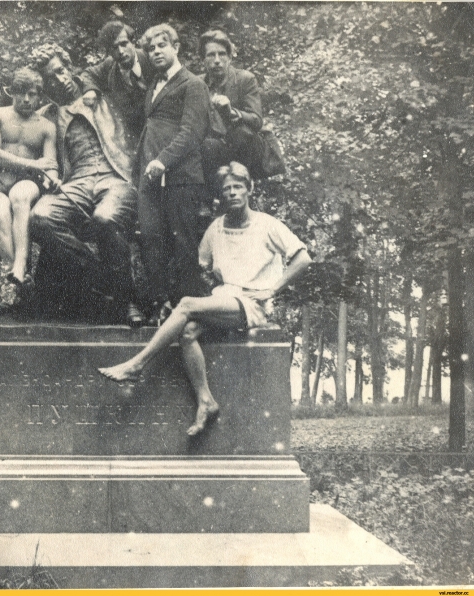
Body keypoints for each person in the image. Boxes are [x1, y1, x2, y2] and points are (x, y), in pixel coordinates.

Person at [100, 162, 312, 436]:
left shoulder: (267, 224)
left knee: (187, 305)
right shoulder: (216, 228)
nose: (232, 193)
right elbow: (198, 267)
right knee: (187, 332)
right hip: (223, 298)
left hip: (252, 304)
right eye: (227, 189)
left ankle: (136, 365)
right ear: (221, 195)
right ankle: (206, 401)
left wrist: (271, 290)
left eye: (238, 187)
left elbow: (303, 259)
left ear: (249, 189)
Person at [28, 43, 144, 326]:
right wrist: (46, 175)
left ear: (69, 67)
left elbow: (126, 59)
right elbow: (36, 156)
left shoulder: (104, 92)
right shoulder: (45, 116)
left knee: (105, 218)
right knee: (40, 217)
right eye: (51, 78)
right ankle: (109, 280)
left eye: (61, 70)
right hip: (76, 181)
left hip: (116, 176)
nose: (60, 80)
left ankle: (125, 298)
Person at [136, 24, 211, 326]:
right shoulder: (154, 84)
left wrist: (163, 161)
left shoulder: (193, 84)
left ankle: (189, 315)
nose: (155, 52)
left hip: (181, 177)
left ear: (176, 47)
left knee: (183, 245)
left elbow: (192, 132)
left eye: (162, 45)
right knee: (150, 239)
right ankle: (161, 305)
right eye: (151, 48)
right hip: (150, 178)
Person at [0, 68, 58, 294]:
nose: (26, 99)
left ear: (39, 96)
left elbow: (50, 163)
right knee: (0, 215)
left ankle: (20, 266)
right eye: (21, 93)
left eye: (32, 94)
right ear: (12, 92)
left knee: (20, 197)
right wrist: (34, 163)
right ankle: (18, 280)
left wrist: (53, 179)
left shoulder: (46, 126)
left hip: (26, 182)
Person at [198, 30, 266, 180]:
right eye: (211, 55)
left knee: (242, 134)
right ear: (203, 60)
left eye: (222, 54)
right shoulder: (198, 84)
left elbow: (257, 120)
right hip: (214, 147)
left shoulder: (244, 79)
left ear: (229, 57)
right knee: (206, 146)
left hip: (243, 146)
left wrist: (232, 112)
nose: (217, 60)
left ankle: (242, 183)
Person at [80, 20, 155, 141]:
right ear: (109, 52)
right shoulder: (110, 65)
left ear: (133, 42)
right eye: (114, 48)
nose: (120, 51)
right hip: (133, 136)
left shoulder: (151, 59)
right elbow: (88, 74)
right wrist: (90, 90)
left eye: (124, 44)